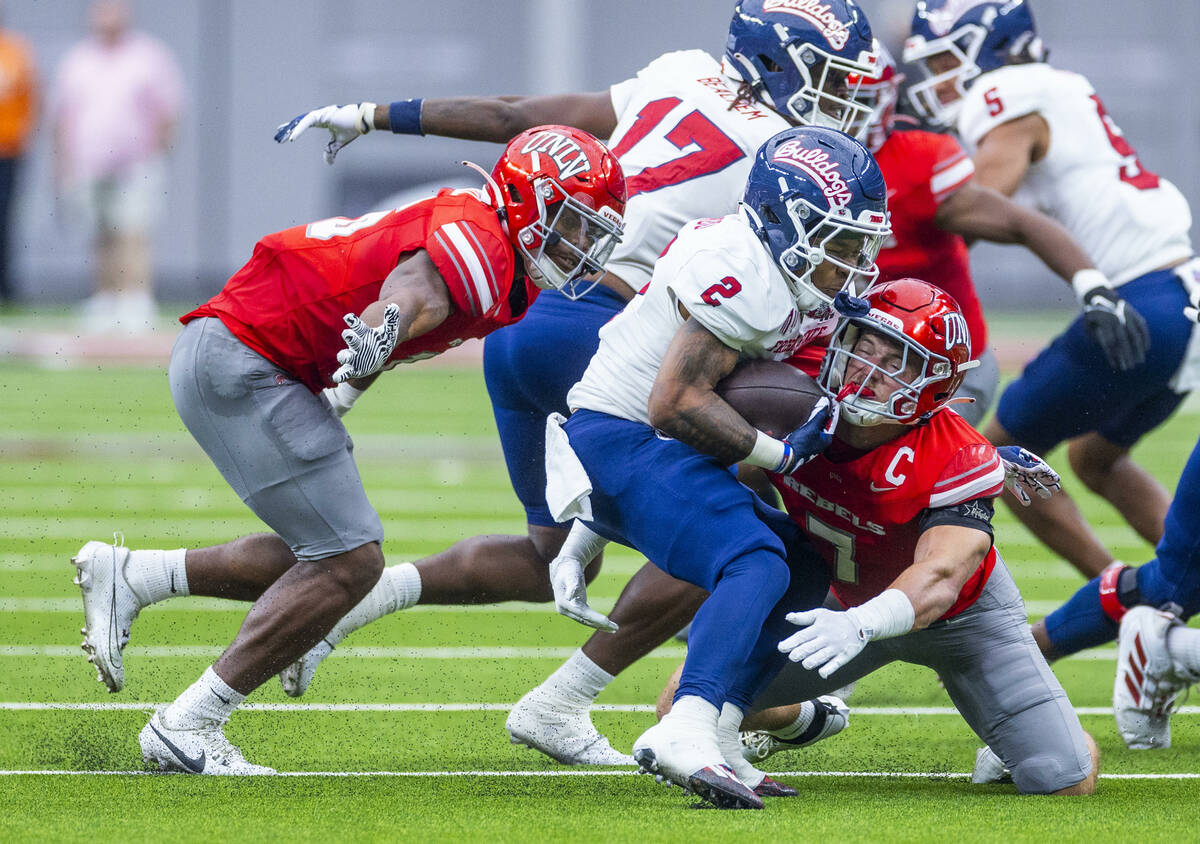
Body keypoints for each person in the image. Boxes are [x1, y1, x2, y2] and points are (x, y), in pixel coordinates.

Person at [272, 0, 881, 766]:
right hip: (605, 334)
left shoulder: (683, 71)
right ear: (777, 60)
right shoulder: (785, 161)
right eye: (830, 76)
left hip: (528, 313)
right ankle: (612, 705)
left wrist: (376, 114)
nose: (844, 96)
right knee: (740, 538)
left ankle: (354, 605)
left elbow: (517, 114)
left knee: (544, 556)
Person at [69, 126, 626, 774]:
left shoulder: (488, 240)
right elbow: (412, 293)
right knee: (350, 561)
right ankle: (188, 723)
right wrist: (383, 326)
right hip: (244, 358)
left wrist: (346, 391)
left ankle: (135, 575)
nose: (583, 245)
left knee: (323, 552)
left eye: (591, 230)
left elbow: (392, 310)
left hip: (245, 351)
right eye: (572, 223)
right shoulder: (483, 248)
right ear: (530, 203)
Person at [543, 125, 889, 810]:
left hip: (648, 449)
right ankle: (687, 726)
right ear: (782, 220)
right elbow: (673, 404)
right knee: (755, 560)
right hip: (624, 437)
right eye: (839, 239)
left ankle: (724, 728)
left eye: (860, 241)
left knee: (809, 563)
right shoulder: (742, 269)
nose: (854, 259)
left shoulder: (779, 269)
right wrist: (780, 455)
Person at [658, 278, 1099, 796]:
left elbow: (941, 576)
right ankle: (802, 719)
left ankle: (1031, 734)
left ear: (933, 384)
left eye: (895, 363)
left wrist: (862, 625)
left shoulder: (959, 458)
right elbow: (719, 487)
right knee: (683, 706)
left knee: (1064, 779)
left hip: (961, 619)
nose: (866, 371)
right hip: (836, 601)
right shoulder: (789, 398)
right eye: (861, 348)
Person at [903, 0, 1200, 580]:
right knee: (1095, 460)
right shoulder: (1056, 87)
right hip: (1180, 301)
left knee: (1004, 463)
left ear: (990, 47)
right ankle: (1173, 585)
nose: (934, 76)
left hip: (1134, 302)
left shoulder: (1010, 92)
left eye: (944, 57)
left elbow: (970, 207)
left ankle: (1120, 603)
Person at [846, 44, 1116, 426]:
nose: (840, 111)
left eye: (853, 98)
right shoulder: (787, 154)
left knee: (903, 473)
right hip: (849, 348)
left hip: (938, 358)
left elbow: (1020, 223)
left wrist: (1092, 286)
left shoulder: (918, 160)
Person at [49, 0, 184, 333]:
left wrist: (158, 153)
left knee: (133, 230)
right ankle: (106, 297)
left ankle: (136, 298)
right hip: (89, 162)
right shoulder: (78, 59)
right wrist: (63, 162)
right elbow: (62, 116)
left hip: (135, 161)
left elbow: (168, 108)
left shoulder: (149, 55)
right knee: (101, 232)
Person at [0, 11, 35, 305]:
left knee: (3, 217)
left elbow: (29, 97)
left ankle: (4, 283)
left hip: (6, 150)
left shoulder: (13, 51)